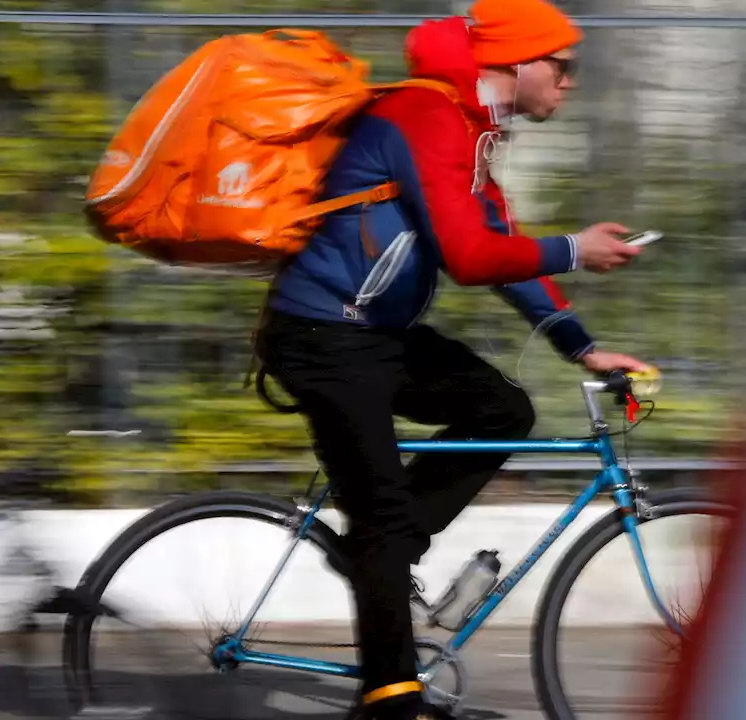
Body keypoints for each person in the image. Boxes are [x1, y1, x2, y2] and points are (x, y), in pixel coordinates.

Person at [255, 0, 653, 717]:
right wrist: (575, 247)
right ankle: (391, 698)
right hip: (323, 335)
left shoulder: (471, 125)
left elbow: (500, 244)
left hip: (373, 334)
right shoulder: (426, 115)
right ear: (517, 63)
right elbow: (470, 257)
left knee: (502, 408)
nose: (569, 82)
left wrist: (581, 345)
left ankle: (378, 555)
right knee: (380, 522)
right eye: (562, 67)